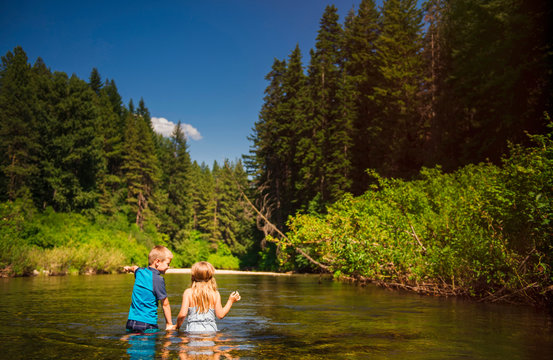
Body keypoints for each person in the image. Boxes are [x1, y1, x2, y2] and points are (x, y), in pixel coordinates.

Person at [175, 261, 241, 333]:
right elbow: (220, 315)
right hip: (211, 330)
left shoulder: (188, 292)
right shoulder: (215, 293)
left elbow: (182, 315)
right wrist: (230, 301)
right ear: (211, 276)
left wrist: (176, 327)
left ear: (193, 276)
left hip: (192, 330)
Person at [124, 245, 176, 332]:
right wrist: (169, 324)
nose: (168, 267)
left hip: (131, 322)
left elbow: (134, 268)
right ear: (157, 262)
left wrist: (128, 268)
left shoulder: (140, 272)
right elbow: (165, 304)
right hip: (147, 324)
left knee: (133, 343)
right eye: (168, 264)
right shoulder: (158, 279)